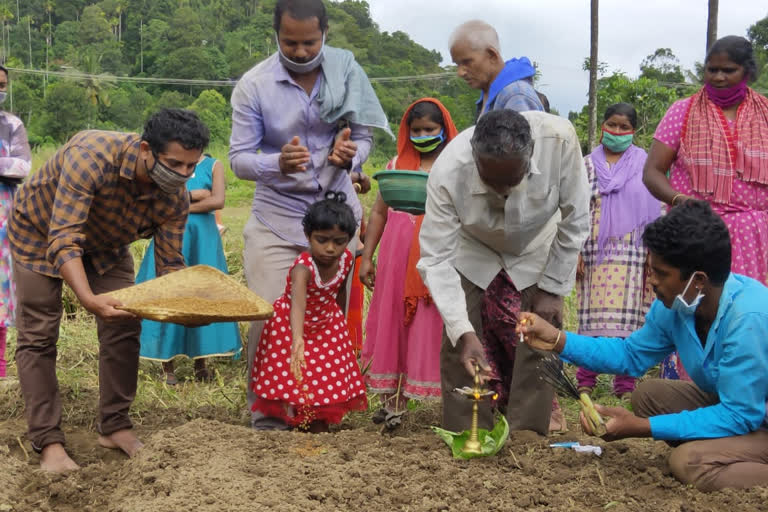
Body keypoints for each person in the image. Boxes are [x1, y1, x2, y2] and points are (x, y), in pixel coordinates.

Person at [518, 200, 768, 492]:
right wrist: (558, 339)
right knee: (649, 396)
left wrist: (640, 428)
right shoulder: (678, 306)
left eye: (660, 273)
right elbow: (629, 355)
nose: (651, 281)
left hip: (751, 416)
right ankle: (732, 450)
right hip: (740, 410)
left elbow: (740, 415)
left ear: (698, 280)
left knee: (688, 462)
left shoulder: (749, 318)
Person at [9, 108, 209, 472]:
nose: (182, 175)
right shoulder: (91, 157)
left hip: (106, 246)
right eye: (174, 164)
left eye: (190, 167)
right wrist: (88, 299)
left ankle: (115, 426)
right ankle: (49, 441)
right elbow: (64, 238)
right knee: (39, 336)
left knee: (124, 325)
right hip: (39, 233)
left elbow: (169, 267)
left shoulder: (174, 198)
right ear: (146, 149)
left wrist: (189, 309)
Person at [229, 0, 389, 429]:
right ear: (276, 35)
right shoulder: (254, 85)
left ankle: (320, 411)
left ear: (325, 34)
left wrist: (351, 158)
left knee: (330, 324)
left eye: (310, 42)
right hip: (277, 220)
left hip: (335, 222)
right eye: (290, 42)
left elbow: (367, 134)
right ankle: (269, 416)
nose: (300, 52)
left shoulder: (347, 71)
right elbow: (239, 160)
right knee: (270, 317)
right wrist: (275, 163)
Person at [417, 109, 590, 435]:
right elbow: (436, 259)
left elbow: (576, 219)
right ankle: (467, 435)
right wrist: (463, 331)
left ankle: (528, 435)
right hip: (473, 247)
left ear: (531, 157)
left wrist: (553, 288)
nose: (501, 194)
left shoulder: (560, 142)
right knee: (461, 345)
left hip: (537, 243)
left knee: (539, 339)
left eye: (511, 181)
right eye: (490, 181)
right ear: (474, 159)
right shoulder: (449, 170)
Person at [643, 36, 768, 380]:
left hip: (754, 239)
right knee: (693, 311)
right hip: (696, 233)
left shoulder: (766, 114)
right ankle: (690, 390)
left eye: (729, 70)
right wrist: (678, 200)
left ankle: (742, 394)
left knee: (744, 318)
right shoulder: (682, 112)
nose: (719, 77)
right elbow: (652, 172)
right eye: (712, 69)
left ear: (748, 71)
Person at [360, 99, 458, 425]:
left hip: (434, 260)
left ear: (443, 130)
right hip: (394, 260)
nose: (423, 135)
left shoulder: (455, 167)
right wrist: (366, 257)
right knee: (392, 322)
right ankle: (393, 404)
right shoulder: (394, 167)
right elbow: (378, 212)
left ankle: (433, 404)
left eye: (429, 129)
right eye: (416, 130)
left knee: (428, 326)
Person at [251, 192, 367, 432]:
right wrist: (297, 339)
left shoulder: (346, 259)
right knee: (290, 374)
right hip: (291, 323)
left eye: (339, 241)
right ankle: (285, 420)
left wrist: (342, 326)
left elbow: (341, 292)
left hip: (326, 320)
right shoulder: (303, 268)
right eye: (322, 240)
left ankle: (316, 420)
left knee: (326, 372)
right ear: (308, 236)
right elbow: (298, 305)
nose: (330, 248)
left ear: (348, 240)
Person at [575, 103, 660, 398]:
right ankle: (585, 379)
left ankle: (625, 384)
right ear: (602, 125)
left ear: (633, 131)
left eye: (624, 127)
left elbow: (655, 209)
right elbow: (575, 210)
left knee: (630, 321)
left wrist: (655, 251)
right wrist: (574, 251)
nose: (617, 131)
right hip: (594, 253)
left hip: (634, 253)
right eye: (612, 124)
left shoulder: (645, 165)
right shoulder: (585, 164)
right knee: (591, 320)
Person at [136, 153, 242, 385]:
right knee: (169, 292)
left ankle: (201, 363)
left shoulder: (214, 165)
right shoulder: (166, 163)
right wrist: (193, 197)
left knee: (201, 295)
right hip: (171, 235)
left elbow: (217, 201)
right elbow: (158, 199)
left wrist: (179, 207)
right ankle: (167, 366)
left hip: (203, 238)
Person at [0, 64, 31, 379]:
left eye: (2, 85)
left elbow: (22, 166)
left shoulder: (11, 125)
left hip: (3, 214)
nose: (0, 90)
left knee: (1, 291)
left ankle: (0, 369)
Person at [449, 20, 544, 119]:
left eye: (467, 62)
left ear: (492, 55)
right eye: (457, 64)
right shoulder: (488, 93)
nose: (460, 73)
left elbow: (523, 134)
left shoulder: (515, 95)